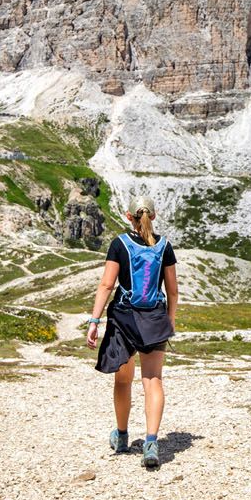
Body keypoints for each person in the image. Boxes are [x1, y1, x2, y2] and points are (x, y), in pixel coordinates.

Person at [86, 195, 178, 469]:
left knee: (123, 381)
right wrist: (168, 322)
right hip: (154, 319)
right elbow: (172, 291)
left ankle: (122, 436)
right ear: (154, 215)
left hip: (124, 319)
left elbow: (106, 285)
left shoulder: (119, 244)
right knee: (153, 381)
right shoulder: (165, 246)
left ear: (129, 216)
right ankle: (151, 442)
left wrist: (94, 321)